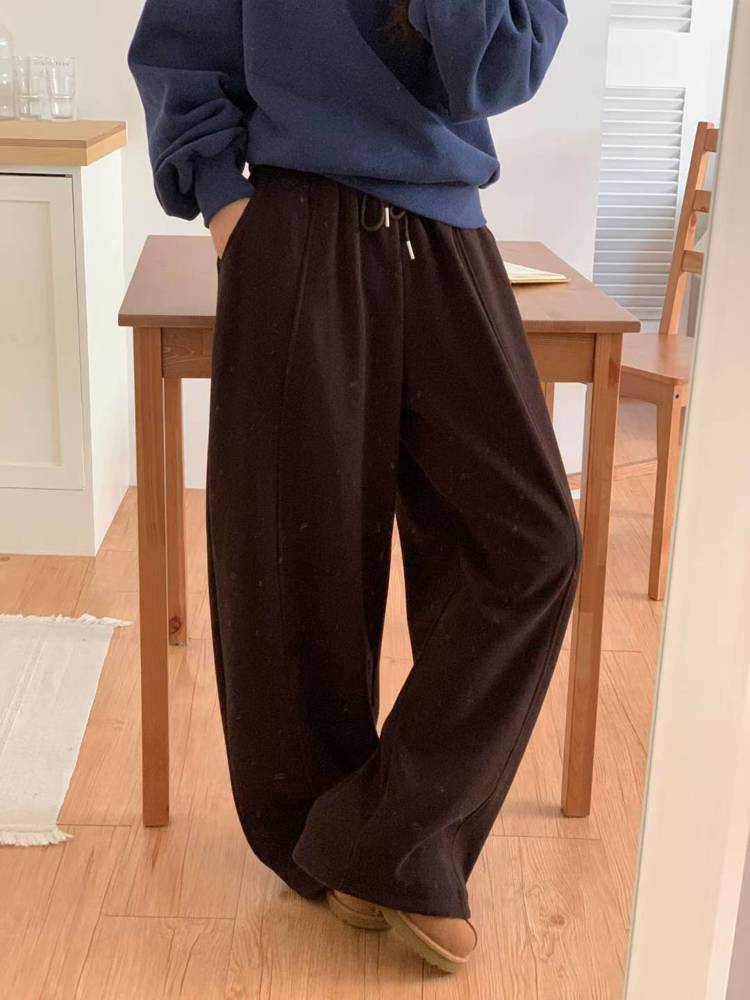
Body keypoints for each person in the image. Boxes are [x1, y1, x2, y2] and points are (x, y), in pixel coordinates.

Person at [127, 0, 578, 975]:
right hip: (294, 225)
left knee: (531, 545)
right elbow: (180, 48)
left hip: (448, 231)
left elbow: (503, 68)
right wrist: (229, 208)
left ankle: (384, 839)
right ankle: (319, 842)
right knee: (297, 560)